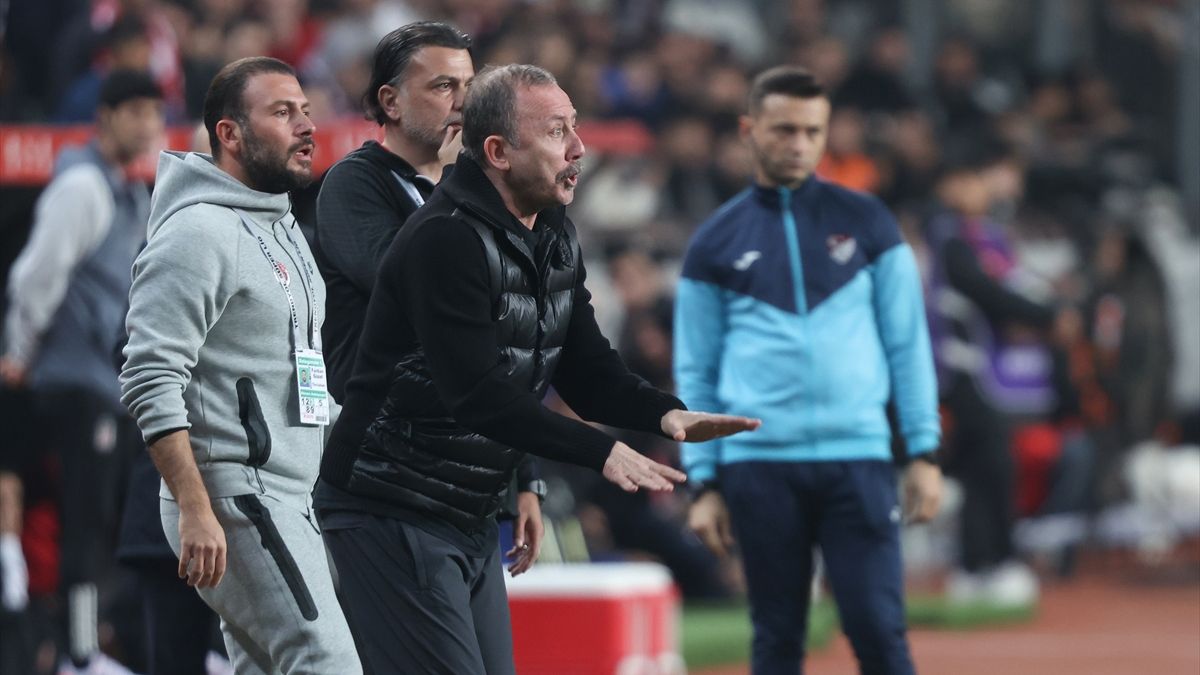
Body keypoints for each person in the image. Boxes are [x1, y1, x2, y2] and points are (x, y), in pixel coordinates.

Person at [316, 64, 760, 674]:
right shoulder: (443, 239)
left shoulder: (553, 232)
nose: (579, 148)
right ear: (498, 152)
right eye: (556, 132)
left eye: (574, 127)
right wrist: (600, 451)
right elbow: (478, 394)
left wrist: (666, 414)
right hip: (387, 503)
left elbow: (588, 372)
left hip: (465, 509)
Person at [675, 66, 943, 675]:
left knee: (879, 633)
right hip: (759, 466)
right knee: (777, 639)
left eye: (812, 131)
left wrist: (923, 451)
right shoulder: (713, 243)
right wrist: (705, 483)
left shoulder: (871, 223)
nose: (799, 144)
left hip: (859, 458)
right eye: (784, 130)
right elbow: (697, 370)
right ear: (749, 130)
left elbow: (908, 345)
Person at [120, 57, 361, 674]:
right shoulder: (198, 231)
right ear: (229, 133)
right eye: (282, 113)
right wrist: (195, 506)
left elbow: (295, 374)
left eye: (305, 110)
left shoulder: (283, 225)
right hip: (238, 496)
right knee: (328, 663)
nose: (306, 126)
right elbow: (150, 376)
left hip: (290, 496)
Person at [313, 20, 547, 575]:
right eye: (443, 86)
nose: (463, 102)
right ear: (390, 101)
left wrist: (525, 476)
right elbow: (413, 285)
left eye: (469, 86)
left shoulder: (481, 196)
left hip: (468, 479)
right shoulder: (353, 185)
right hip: (389, 476)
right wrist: (454, 182)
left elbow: (507, 338)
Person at [0, 68, 163, 674]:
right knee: (83, 526)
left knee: (99, 522)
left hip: (102, 383)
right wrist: (20, 352)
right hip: (72, 382)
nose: (147, 124)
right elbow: (35, 277)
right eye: (134, 111)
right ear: (105, 117)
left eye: (154, 112)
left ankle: (87, 643)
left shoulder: (129, 192)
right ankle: (77, 651)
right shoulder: (83, 187)